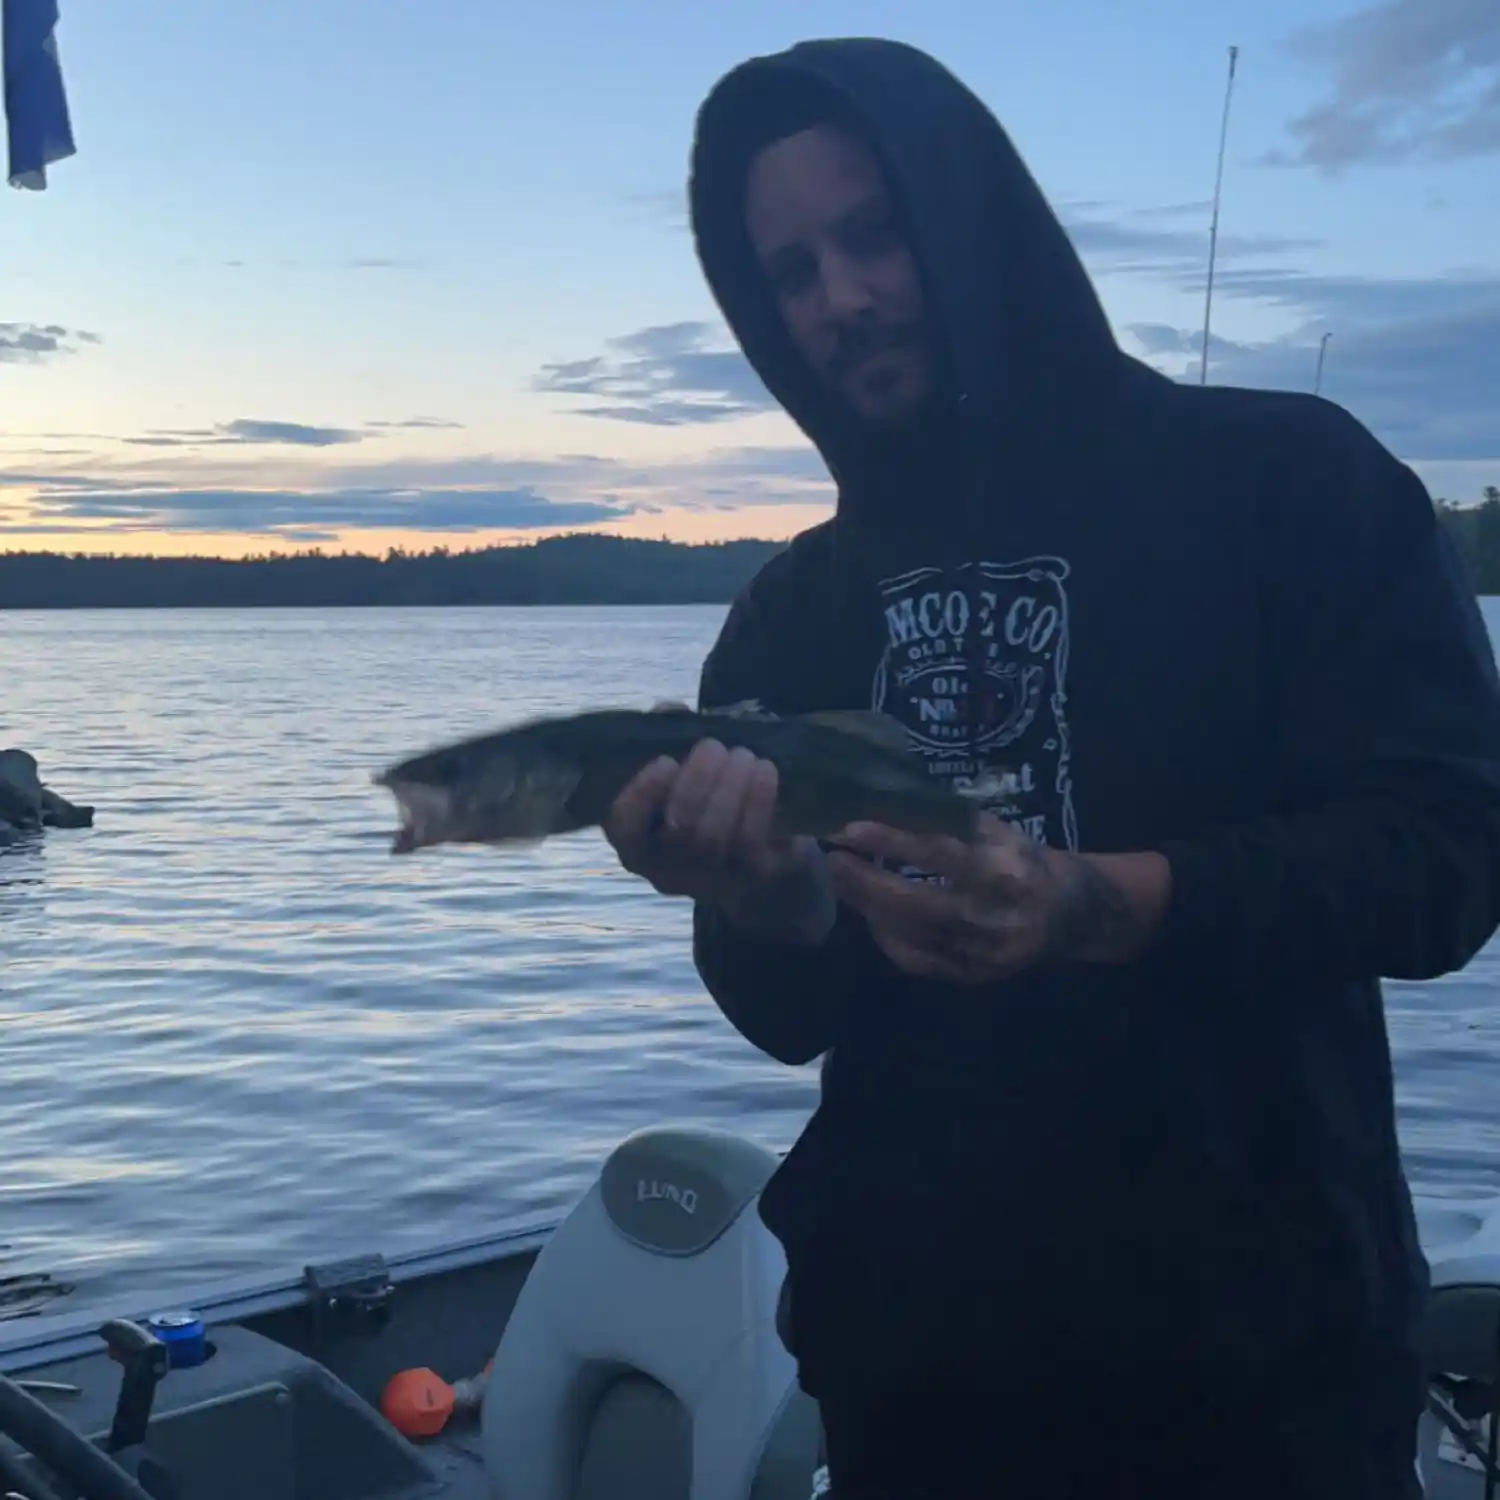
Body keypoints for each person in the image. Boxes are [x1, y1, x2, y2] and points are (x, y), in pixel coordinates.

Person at [603, 36, 1500, 1499]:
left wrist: (1101, 904)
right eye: (792, 273)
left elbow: (1453, 849)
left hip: (1265, 1384)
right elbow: (787, 1016)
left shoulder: (1290, 486)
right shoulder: (797, 608)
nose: (842, 299)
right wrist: (760, 899)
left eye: (873, 234)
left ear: (970, 214)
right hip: (915, 1382)